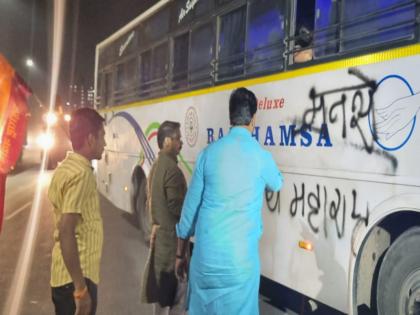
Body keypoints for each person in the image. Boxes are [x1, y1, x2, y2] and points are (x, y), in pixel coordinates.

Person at [175, 87, 283, 314]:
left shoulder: (208, 153)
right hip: (239, 267)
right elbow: (277, 183)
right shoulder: (261, 156)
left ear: (230, 117)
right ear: (254, 118)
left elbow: (189, 212)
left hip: (205, 262)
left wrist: (179, 254)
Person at [48, 108, 106, 315]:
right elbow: (66, 230)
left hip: (62, 277)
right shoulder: (81, 174)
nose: (105, 144)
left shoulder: (64, 168)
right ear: (90, 139)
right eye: (102, 137)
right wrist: (81, 290)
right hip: (76, 279)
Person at [141, 121, 188, 315]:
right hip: (171, 243)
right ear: (167, 141)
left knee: (162, 294)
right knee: (177, 292)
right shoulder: (172, 171)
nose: (181, 142)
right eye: (178, 138)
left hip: (159, 238)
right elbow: (178, 209)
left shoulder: (157, 166)